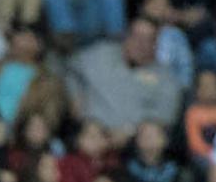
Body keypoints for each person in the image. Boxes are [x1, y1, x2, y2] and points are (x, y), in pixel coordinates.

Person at [67, 17, 182, 147]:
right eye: (136, 36)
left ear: (155, 44)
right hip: (91, 135)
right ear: (126, 37)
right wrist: (74, 95)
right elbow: (70, 69)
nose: (140, 44)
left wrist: (132, 132)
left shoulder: (165, 78)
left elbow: (165, 116)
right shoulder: (100, 54)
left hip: (135, 145)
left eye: (147, 39)